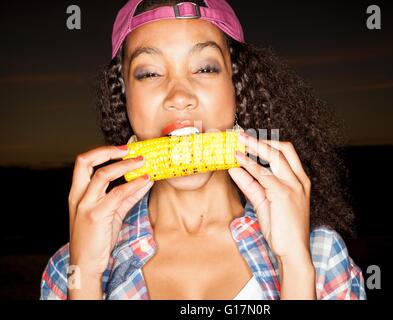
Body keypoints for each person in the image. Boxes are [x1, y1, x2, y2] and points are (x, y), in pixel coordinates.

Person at [40, 0, 366, 300]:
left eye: (205, 68)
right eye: (150, 73)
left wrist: (294, 265)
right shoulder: (70, 268)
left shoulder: (318, 255)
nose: (179, 95)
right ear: (124, 97)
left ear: (236, 84)